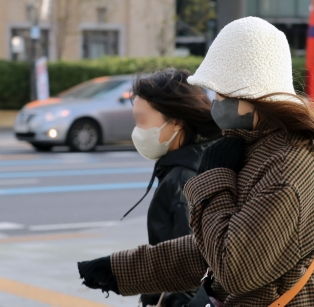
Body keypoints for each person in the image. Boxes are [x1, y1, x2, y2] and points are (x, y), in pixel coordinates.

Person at [77, 17, 314, 307]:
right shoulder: (258, 149)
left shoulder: (286, 168)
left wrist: (215, 180)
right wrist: (121, 270)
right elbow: (209, 247)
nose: (215, 102)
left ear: (249, 95)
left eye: (221, 93)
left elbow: (234, 269)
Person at [78, 68, 220, 307]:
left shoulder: (182, 179)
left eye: (142, 121)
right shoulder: (203, 161)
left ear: (176, 122)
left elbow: (189, 265)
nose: (138, 131)